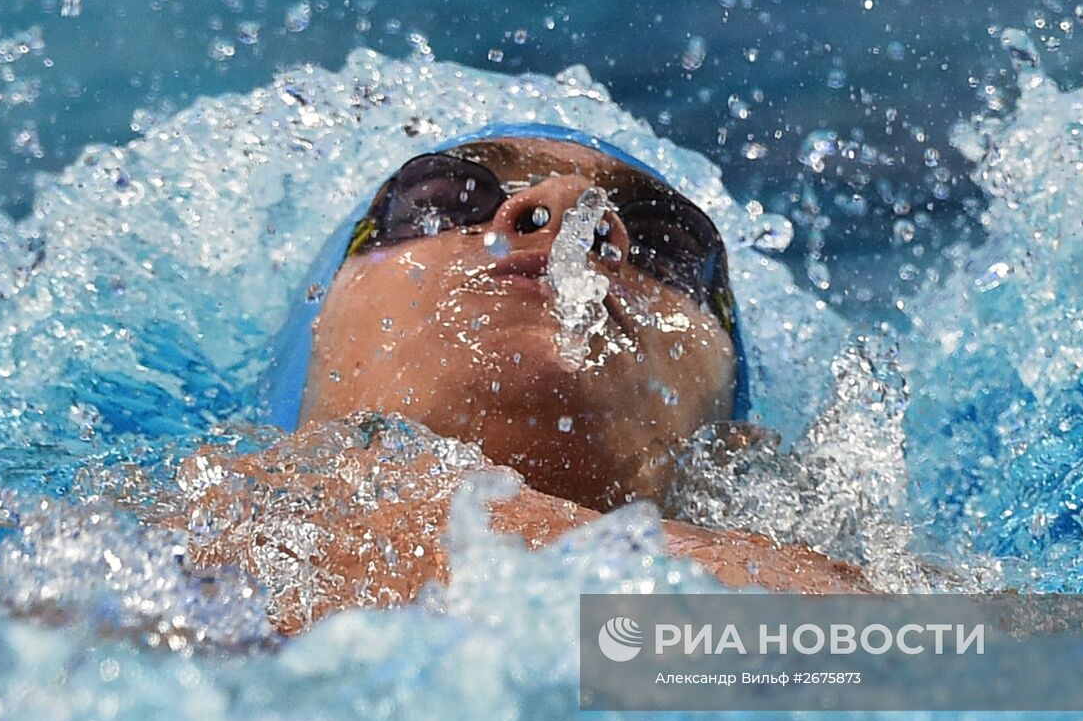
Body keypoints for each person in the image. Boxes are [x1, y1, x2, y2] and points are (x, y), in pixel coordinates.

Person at [183, 125, 864, 632]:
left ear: (740, 446)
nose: (568, 207)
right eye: (445, 196)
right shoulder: (139, 564)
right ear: (312, 341)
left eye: (667, 240)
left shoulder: (894, 625)